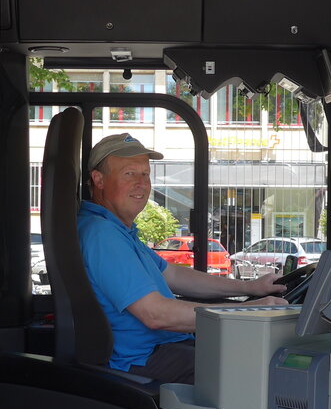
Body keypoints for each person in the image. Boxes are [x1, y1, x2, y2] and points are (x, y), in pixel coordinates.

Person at [78, 133, 287, 383]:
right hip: (143, 361)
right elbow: (156, 314)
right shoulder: (103, 235)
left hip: (164, 349)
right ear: (98, 180)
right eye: (129, 173)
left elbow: (174, 275)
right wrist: (244, 312)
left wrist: (249, 287)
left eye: (145, 174)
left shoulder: (119, 231)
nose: (141, 183)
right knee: (270, 369)